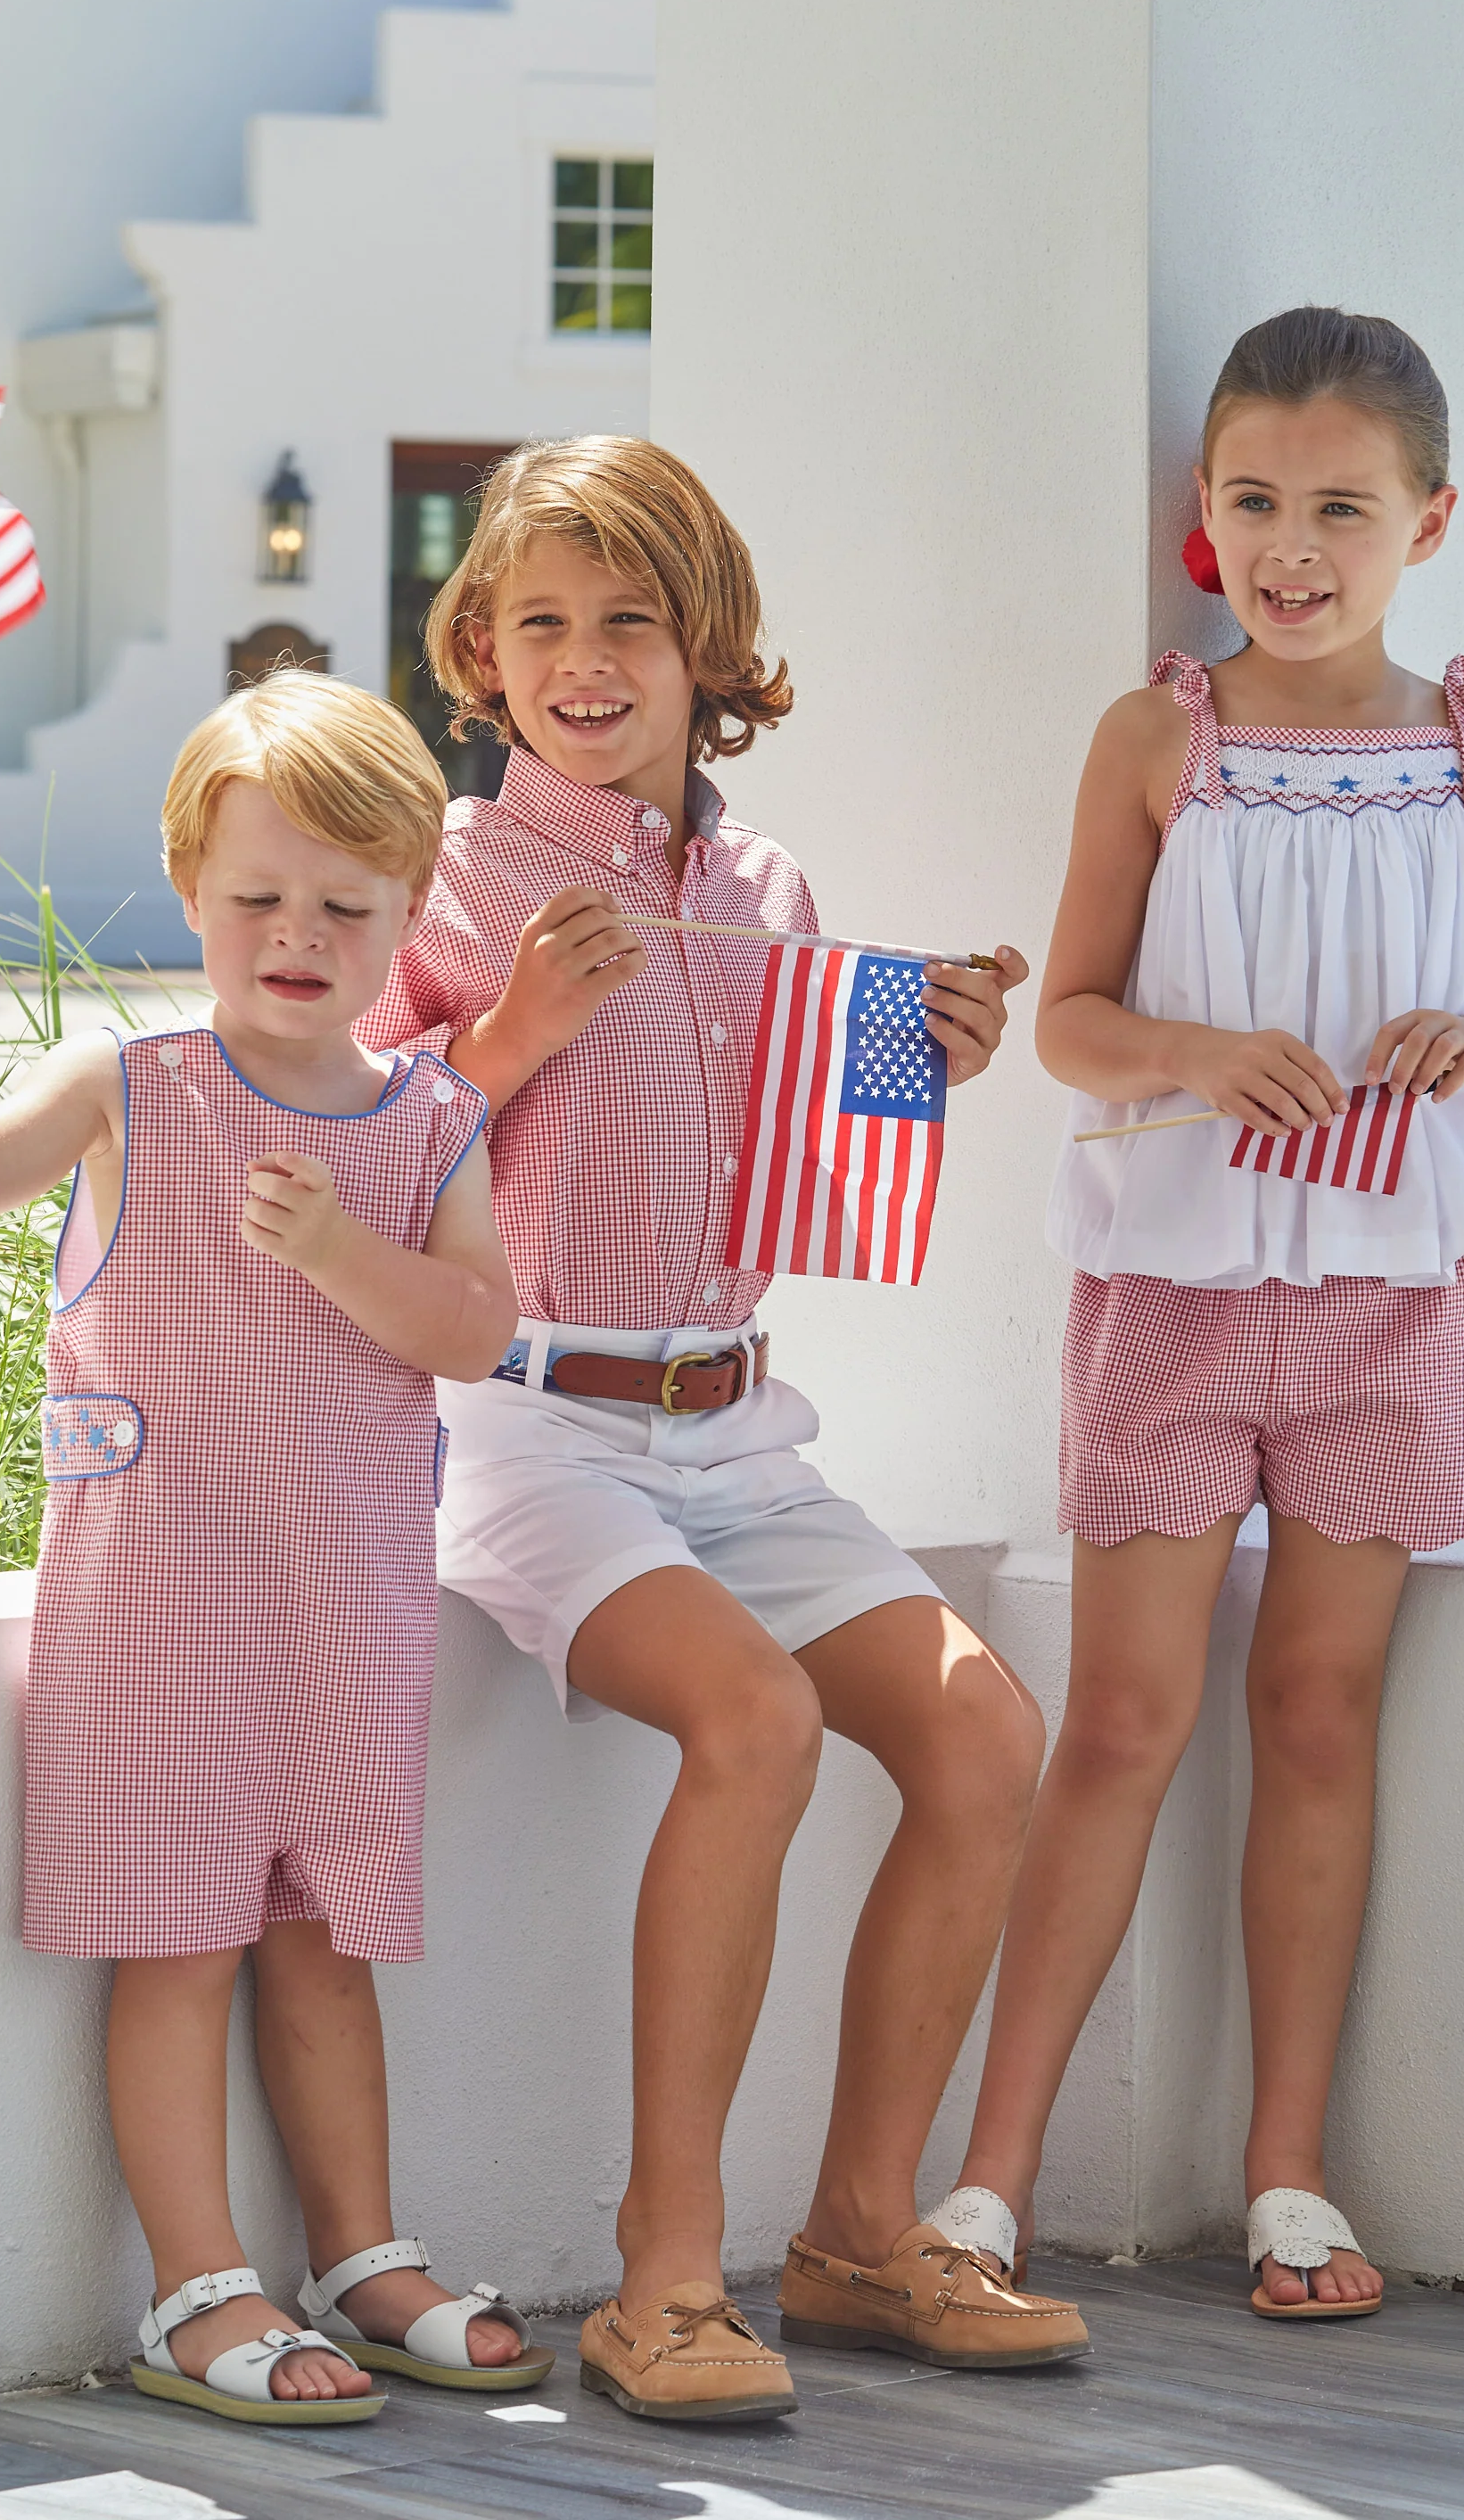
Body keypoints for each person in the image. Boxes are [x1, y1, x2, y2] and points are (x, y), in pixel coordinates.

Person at [364, 434, 1088, 2422]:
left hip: (740, 1427)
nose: (586, 661)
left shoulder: (762, 886)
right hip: (522, 1429)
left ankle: (859, 2235)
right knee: (755, 1722)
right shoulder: (442, 873)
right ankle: (663, 2279)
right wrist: (502, 1031)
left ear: (708, 651)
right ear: (484, 656)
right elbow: (340, 1152)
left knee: (979, 1729)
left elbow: (774, 1169)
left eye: (631, 620)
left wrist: (920, 1058)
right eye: (541, 625)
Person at [0, 673, 552, 2425]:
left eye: (345, 907)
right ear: (191, 887)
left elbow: (469, 1332)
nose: (297, 934)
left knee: (324, 1941)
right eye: (257, 899)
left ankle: (360, 2253)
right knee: (180, 1940)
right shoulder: (129, 1081)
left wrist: (337, 1257)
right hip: (162, 1601)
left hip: (346, 1601)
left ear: (405, 918)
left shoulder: (431, 1118)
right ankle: (194, 2285)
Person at [931, 306, 1464, 2321]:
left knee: (1315, 1715)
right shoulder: (1157, 737)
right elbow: (1067, 1021)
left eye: (1340, 508)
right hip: (1176, 1285)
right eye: (1252, 501)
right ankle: (989, 2185)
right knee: (1120, 1718)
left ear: (1429, 520)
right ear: (1201, 514)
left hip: (1402, 1290)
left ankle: (1287, 2172)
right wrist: (1200, 1056)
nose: (1292, 543)